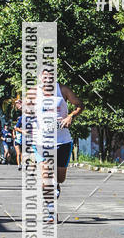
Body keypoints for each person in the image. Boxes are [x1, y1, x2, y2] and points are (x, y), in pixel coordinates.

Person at [27, 70, 83, 223]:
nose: (47, 79)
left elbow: (79, 105)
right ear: (39, 78)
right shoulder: (33, 92)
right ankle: (51, 212)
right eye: (44, 76)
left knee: (59, 178)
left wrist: (71, 116)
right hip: (41, 141)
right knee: (46, 178)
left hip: (62, 141)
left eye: (50, 76)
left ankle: (56, 185)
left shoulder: (62, 90)